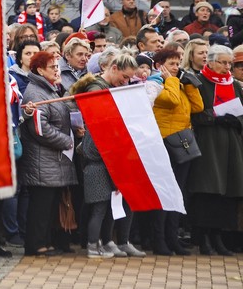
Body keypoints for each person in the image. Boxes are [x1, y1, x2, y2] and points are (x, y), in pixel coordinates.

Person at [71, 53, 146, 259]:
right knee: (100, 208)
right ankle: (96, 244)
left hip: (109, 157)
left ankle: (109, 242)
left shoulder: (108, 88)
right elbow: (101, 125)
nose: (126, 82)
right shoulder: (97, 89)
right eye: (124, 77)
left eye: (129, 78)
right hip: (100, 158)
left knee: (112, 204)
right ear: (113, 68)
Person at [17, 50, 78, 256]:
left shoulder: (51, 90)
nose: (57, 70)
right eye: (52, 67)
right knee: (40, 207)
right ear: (40, 70)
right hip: (42, 160)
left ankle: (46, 242)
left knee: (50, 206)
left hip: (53, 161)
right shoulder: (35, 92)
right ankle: (35, 245)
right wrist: (66, 141)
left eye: (57, 66)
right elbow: (39, 128)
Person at [188, 44, 243, 256]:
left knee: (227, 191)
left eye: (229, 63)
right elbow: (196, 113)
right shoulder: (199, 82)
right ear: (210, 62)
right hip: (208, 142)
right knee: (208, 189)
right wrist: (217, 117)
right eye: (223, 62)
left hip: (231, 143)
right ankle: (204, 239)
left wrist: (235, 120)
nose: (227, 67)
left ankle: (220, 237)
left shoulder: (234, 85)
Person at [149, 48, 204, 256]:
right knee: (165, 193)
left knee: (177, 192)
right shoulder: (155, 84)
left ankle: (172, 238)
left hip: (182, 143)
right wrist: (171, 79)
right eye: (171, 64)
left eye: (178, 63)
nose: (176, 68)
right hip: (164, 143)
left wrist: (189, 85)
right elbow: (170, 100)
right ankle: (159, 239)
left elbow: (198, 107)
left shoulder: (177, 84)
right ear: (159, 65)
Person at [4, 39, 41, 248]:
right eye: (28, 53)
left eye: (36, 53)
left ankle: (24, 229)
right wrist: (25, 113)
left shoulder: (42, 78)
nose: (33, 57)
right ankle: (12, 232)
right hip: (15, 140)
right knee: (15, 188)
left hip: (32, 142)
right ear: (19, 57)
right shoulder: (13, 79)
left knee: (25, 189)